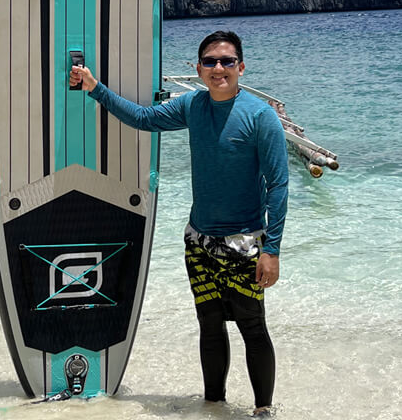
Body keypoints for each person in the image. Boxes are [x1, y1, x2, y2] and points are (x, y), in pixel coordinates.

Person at [69, 30, 288, 414]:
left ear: (241, 66)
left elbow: (279, 185)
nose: (219, 69)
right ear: (198, 68)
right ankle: (213, 405)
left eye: (227, 61)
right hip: (199, 242)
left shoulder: (260, 116)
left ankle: (263, 410)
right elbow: (142, 118)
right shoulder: (193, 106)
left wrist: (271, 250)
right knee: (209, 326)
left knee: (252, 328)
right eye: (210, 62)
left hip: (245, 244)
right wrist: (95, 88)